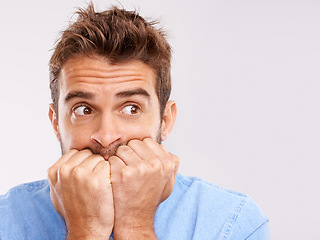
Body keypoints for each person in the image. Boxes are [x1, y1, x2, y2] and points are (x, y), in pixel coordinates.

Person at [0, 3, 269, 240]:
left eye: (131, 108)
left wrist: (136, 226)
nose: (106, 136)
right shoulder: (5, 221)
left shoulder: (234, 223)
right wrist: (86, 233)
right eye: (84, 109)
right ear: (56, 123)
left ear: (165, 119)